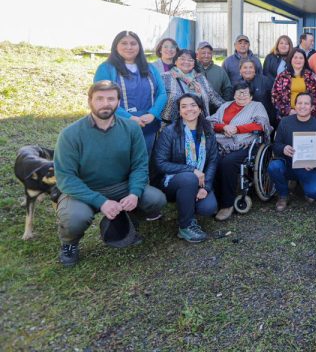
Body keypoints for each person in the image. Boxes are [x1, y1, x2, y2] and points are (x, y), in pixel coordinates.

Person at [54, 81, 167, 266]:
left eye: (110, 99)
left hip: (121, 185)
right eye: (99, 98)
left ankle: (130, 220)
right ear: (90, 100)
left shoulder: (131, 129)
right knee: (75, 218)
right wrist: (101, 202)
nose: (105, 103)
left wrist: (134, 193)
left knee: (156, 199)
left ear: (118, 102)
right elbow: (66, 178)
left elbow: (139, 164)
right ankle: (69, 244)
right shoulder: (70, 134)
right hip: (84, 190)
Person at [153, 93, 218, 243]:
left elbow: (213, 161)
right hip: (172, 182)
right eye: (184, 106)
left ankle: (187, 204)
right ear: (179, 111)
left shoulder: (208, 130)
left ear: (200, 109)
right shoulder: (169, 131)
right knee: (189, 178)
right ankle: (185, 227)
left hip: (199, 181)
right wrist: (191, 170)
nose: (189, 109)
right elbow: (160, 163)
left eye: (193, 105)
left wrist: (206, 187)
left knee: (208, 208)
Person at [94, 31, 167, 152]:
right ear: (116, 46)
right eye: (124, 43)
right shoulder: (106, 68)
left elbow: (162, 93)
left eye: (133, 43)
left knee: (144, 160)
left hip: (147, 124)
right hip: (118, 125)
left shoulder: (150, 68)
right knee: (120, 162)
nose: (129, 47)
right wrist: (129, 118)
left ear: (139, 47)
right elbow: (102, 99)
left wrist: (152, 114)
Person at [209, 82, 271, 221]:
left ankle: (227, 204)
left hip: (246, 144)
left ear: (251, 95)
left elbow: (262, 125)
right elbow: (210, 122)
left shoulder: (256, 106)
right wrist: (224, 127)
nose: (241, 95)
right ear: (234, 93)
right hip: (221, 142)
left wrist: (237, 129)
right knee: (213, 160)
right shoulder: (225, 105)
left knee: (227, 163)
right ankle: (214, 200)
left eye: (245, 92)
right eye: (239, 92)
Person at [269, 93, 316, 211]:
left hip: (308, 167)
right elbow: (275, 145)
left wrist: (315, 163)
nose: (302, 106)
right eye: (299, 103)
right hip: (288, 165)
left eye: (306, 103)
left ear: (312, 107)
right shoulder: (285, 122)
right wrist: (283, 148)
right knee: (273, 166)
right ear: (295, 106)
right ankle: (283, 195)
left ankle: (303, 184)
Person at [160, 49, 224, 124]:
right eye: (182, 59)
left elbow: (216, 99)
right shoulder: (165, 77)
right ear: (175, 61)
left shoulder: (200, 78)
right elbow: (156, 101)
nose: (186, 62)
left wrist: (232, 108)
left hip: (199, 126)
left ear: (194, 63)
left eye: (190, 60)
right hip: (171, 127)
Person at [272, 48, 316, 120]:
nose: (298, 60)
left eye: (301, 58)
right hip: (287, 116)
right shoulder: (282, 76)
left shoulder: (311, 76)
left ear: (305, 60)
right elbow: (275, 96)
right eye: (295, 57)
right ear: (291, 59)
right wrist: (288, 111)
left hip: (309, 116)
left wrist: (309, 111)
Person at [239, 58, 277, 127]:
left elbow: (274, 101)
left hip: (266, 120)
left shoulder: (266, 81)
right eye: (245, 67)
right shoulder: (237, 85)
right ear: (240, 70)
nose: (248, 70)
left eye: (251, 67)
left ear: (255, 70)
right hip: (245, 122)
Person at [196, 41, 233, 106]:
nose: (206, 56)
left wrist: (224, 106)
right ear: (197, 54)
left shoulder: (220, 70)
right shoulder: (192, 69)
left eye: (209, 53)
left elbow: (228, 89)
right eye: (203, 53)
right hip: (196, 109)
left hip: (216, 109)